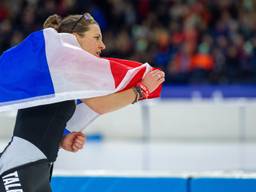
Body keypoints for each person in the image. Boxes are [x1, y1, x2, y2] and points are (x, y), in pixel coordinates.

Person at [0, 13, 165, 192]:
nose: (103, 45)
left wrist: (61, 138)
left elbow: (40, 120)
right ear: (75, 38)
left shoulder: (61, 76)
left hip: (34, 168)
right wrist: (141, 91)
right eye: (96, 38)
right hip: (20, 168)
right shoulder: (63, 68)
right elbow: (99, 104)